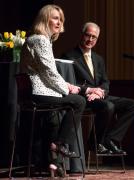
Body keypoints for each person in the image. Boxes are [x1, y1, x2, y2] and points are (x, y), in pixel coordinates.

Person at [20, 4, 86, 177]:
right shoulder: (40, 40)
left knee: (54, 120)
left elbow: (49, 72)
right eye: (55, 18)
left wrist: (67, 87)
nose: (59, 22)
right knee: (79, 102)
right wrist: (68, 89)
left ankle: (54, 164)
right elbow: (49, 72)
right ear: (45, 19)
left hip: (41, 92)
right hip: (39, 93)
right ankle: (61, 145)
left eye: (61, 19)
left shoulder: (40, 39)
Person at [61, 22, 134, 155]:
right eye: (88, 35)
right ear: (82, 35)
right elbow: (69, 83)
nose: (90, 40)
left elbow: (105, 82)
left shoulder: (99, 59)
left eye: (94, 37)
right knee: (108, 107)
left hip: (100, 97)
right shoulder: (69, 56)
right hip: (83, 97)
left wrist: (101, 93)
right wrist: (90, 91)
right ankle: (95, 143)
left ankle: (111, 139)